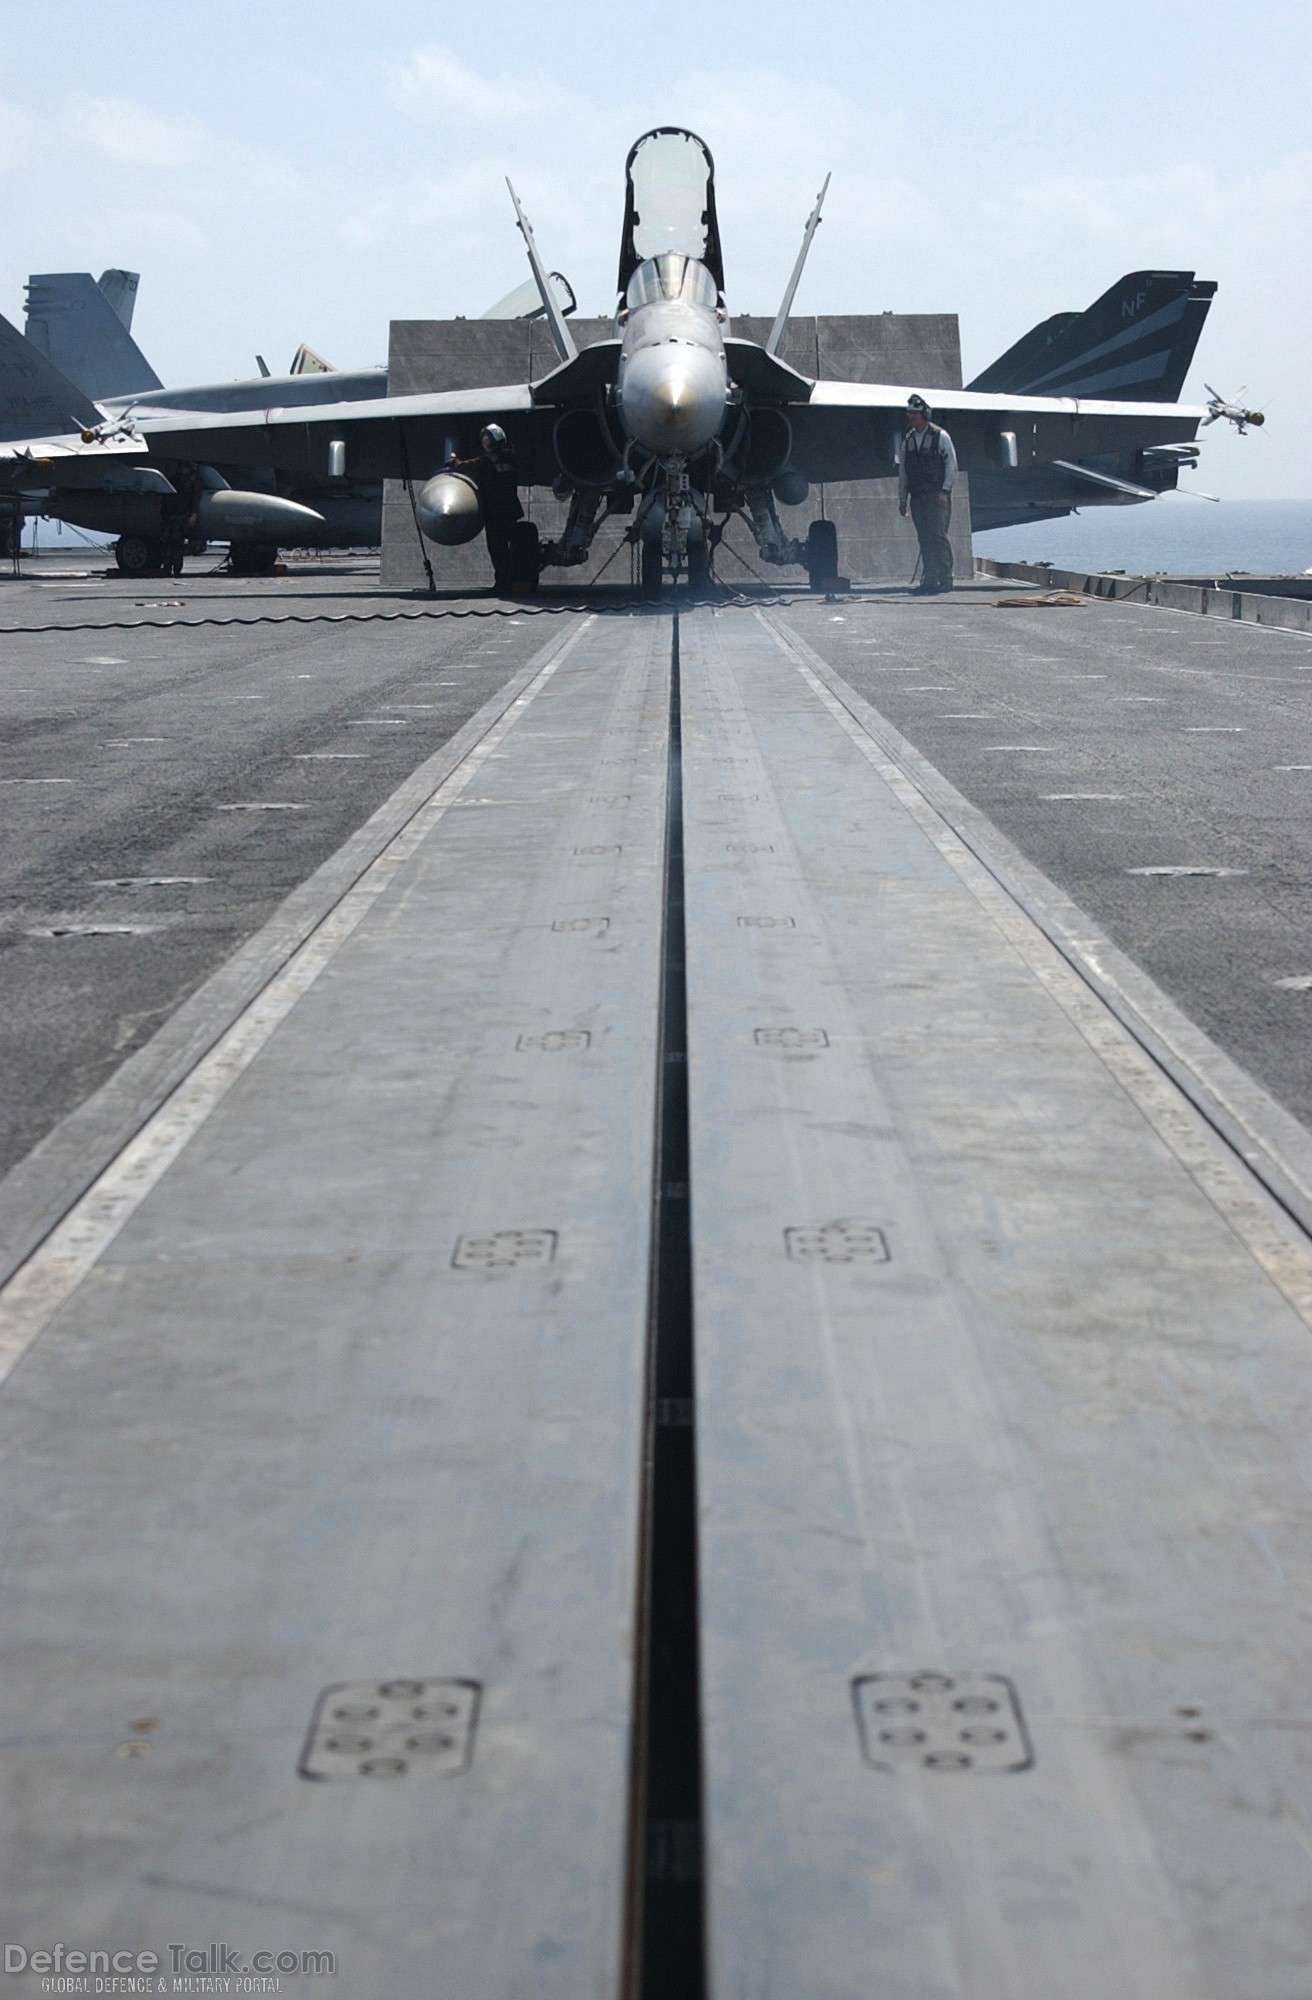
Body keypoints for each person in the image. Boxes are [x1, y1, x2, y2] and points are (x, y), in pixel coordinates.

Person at [448, 424, 525, 594]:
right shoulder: (510, 459)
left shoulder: (486, 462)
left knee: (497, 549)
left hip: (495, 513)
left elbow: (462, 466)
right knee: (507, 548)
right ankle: (510, 581)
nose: (484, 443)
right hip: (510, 511)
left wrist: (453, 460)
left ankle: (503, 583)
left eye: (486, 440)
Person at [898, 394, 957, 594]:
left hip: (936, 495)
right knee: (924, 538)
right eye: (909, 414)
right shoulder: (908, 441)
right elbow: (904, 472)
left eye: (914, 414)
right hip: (917, 497)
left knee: (938, 536)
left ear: (924, 415)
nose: (911, 417)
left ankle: (946, 579)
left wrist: (945, 491)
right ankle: (930, 580)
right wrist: (902, 499)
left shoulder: (940, 436)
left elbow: (951, 465)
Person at [160, 460, 202, 577]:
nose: (183, 469)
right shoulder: (175, 479)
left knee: (177, 543)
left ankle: (177, 569)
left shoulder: (194, 481)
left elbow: (196, 499)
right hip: (170, 515)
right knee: (167, 542)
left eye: (186, 466)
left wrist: (193, 515)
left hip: (182, 516)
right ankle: (167, 568)